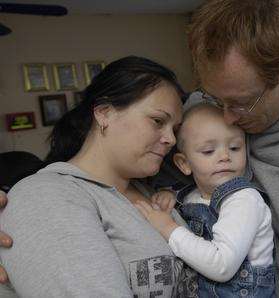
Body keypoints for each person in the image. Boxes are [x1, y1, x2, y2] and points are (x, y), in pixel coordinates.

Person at [0, 0, 279, 297]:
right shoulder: (198, 114)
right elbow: (77, 188)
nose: (225, 118)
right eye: (214, 97)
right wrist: (14, 209)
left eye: (241, 104)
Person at [0, 56, 195, 297]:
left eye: (174, 129)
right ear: (104, 113)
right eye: (158, 121)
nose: (171, 139)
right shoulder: (46, 196)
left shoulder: (152, 191)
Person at [135, 103, 275, 297]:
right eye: (209, 151)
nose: (225, 156)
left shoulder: (244, 200)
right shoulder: (191, 196)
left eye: (235, 148)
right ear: (184, 164)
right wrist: (171, 196)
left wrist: (169, 229)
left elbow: (222, 266)